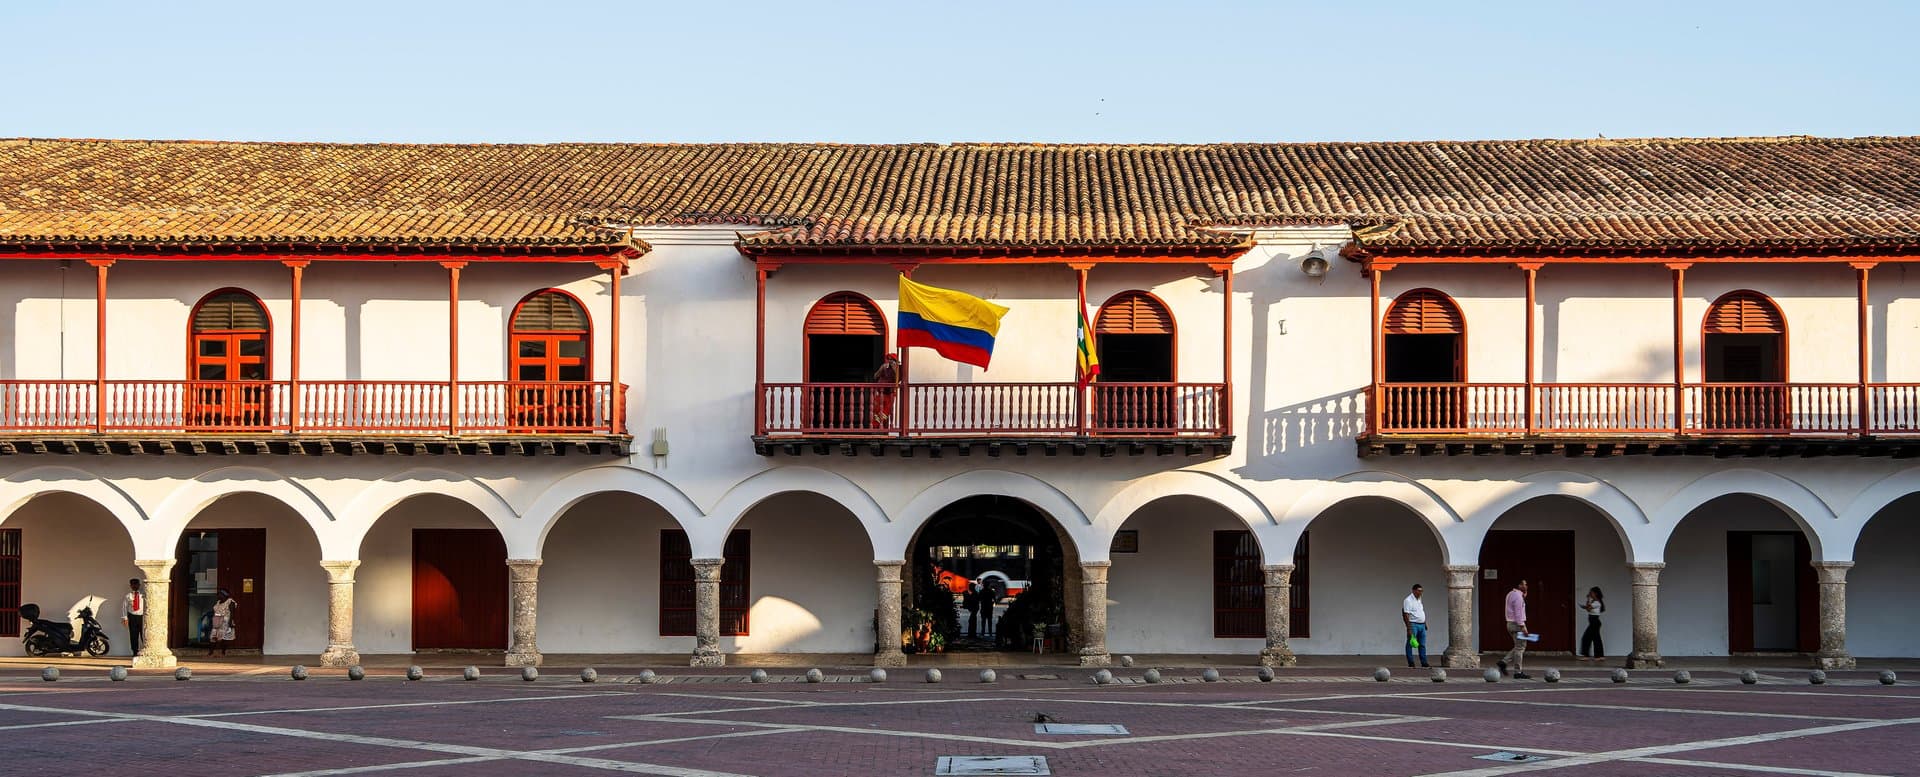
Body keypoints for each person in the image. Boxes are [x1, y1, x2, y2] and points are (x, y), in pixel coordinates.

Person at [1498, 580, 1531, 679]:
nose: (1526, 586)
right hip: (1517, 624)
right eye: (1525, 584)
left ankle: (1503, 662)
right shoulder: (1518, 597)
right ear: (1519, 585)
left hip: (1509, 623)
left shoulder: (1511, 594)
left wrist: (1523, 597)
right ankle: (1518, 672)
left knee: (1518, 646)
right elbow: (1518, 613)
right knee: (1520, 648)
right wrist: (1523, 627)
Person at [1402, 583, 1429, 668]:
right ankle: (1411, 662)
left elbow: (1420, 611)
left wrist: (1425, 622)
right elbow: (1406, 614)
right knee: (1411, 643)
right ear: (1413, 590)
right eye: (1418, 591)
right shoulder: (1408, 600)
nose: (1420, 593)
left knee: (1422, 644)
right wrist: (1409, 628)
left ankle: (1424, 662)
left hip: (1421, 625)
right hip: (1413, 624)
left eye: (1421, 591)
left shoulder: (1419, 599)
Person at [871, 354, 901, 428]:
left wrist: (895, 368)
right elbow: (875, 376)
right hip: (880, 392)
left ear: (895, 361)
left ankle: (877, 426)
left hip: (890, 393)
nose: (890, 361)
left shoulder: (899, 368)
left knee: (886, 412)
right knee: (876, 410)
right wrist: (881, 369)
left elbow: (899, 379)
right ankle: (874, 427)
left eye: (892, 360)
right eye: (889, 359)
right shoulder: (884, 367)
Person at [1579, 586, 1606, 662]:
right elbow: (1588, 609)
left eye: (1591, 592)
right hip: (1593, 622)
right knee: (1596, 639)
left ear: (1596, 593)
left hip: (1595, 622)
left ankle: (1588, 655)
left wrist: (1587, 600)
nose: (1590, 594)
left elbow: (1588, 608)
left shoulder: (1597, 602)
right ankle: (1599, 656)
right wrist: (1588, 601)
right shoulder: (1594, 602)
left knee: (1586, 638)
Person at [209, 589, 236, 657]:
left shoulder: (230, 601)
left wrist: (230, 624)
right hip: (217, 621)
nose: (217, 595)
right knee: (213, 636)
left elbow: (232, 613)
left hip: (225, 622)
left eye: (219, 594)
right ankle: (211, 653)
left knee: (223, 638)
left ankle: (223, 652)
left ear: (224, 595)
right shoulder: (218, 602)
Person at [120, 578, 144, 655]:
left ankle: (146, 650)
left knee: (144, 634)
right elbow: (124, 607)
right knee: (133, 635)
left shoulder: (143, 594)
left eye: (136, 584)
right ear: (130, 586)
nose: (134, 586)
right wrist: (125, 618)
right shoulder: (128, 596)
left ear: (139, 585)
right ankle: (135, 651)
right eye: (133, 584)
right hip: (132, 617)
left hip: (142, 617)